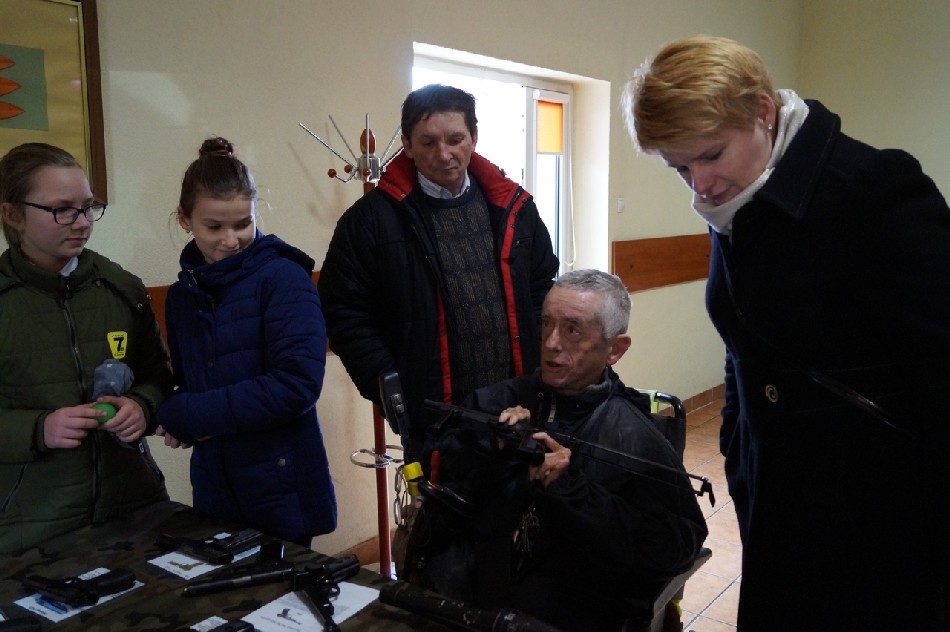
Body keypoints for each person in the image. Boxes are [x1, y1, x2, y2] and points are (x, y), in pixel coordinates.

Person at [622, 35, 950, 630]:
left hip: (880, 517)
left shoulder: (875, 191)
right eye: (680, 167)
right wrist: (737, 446)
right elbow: (745, 339)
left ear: (763, 112)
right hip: (778, 504)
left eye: (711, 154)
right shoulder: (737, 198)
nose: (699, 184)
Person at [405, 269, 708, 631]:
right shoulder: (498, 402)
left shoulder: (634, 437)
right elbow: (449, 482)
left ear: (615, 349)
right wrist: (495, 448)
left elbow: (674, 548)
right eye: (546, 323)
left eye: (572, 330)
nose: (551, 342)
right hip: (474, 597)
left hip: (566, 612)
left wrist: (573, 491)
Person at [318, 83, 559, 462]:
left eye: (455, 139)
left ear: (474, 138)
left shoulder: (515, 209)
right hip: (433, 416)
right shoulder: (370, 221)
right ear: (407, 144)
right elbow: (344, 313)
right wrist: (389, 386)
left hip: (519, 406)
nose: (443, 154)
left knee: (528, 494)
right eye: (428, 142)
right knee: (445, 501)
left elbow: (542, 289)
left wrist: (544, 370)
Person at [154, 137, 336, 546]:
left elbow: (296, 385)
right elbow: (193, 385)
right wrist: (178, 417)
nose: (231, 239)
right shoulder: (182, 296)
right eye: (214, 226)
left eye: (243, 223)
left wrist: (192, 415)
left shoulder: (283, 279)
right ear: (184, 219)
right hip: (216, 486)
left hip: (283, 485)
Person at [0, 143, 172, 554]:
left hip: (135, 509)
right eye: (62, 210)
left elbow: (159, 377)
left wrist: (142, 407)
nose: (81, 223)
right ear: (12, 214)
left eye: (88, 207)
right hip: (29, 528)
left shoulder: (122, 288)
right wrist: (39, 429)